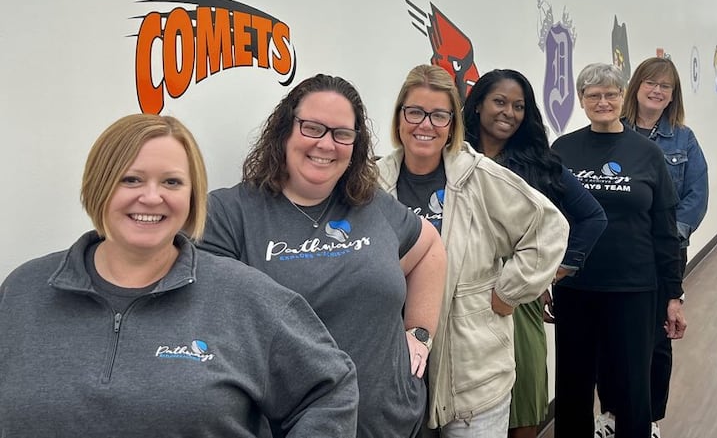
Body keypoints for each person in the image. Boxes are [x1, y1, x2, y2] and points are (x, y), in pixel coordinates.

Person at [0, 114, 359, 438]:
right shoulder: (22, 292)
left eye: (172, 182)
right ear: (99, 185)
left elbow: (331, 389)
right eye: (131, 179)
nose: (151, 197)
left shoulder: (245, 297)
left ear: (192, 197)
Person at [200, 74, 447, 438]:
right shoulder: (229, 214)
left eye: (342, 134)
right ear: (285, 130)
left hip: (394, 424)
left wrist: (420, 334)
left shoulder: (370, 204)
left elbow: (429, 249)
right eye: (313, 128)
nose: (326, 144)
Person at [377, 64, 570, 437]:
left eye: (439, 115)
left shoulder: (480, 177)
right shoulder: (373, 182)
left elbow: (549, 228)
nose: (425, 124)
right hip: (397, 375)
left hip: (472, 376)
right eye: (415, 112)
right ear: (399, 117)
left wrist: (509, 290)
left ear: (452, 124)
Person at [462, 69, 608, 438]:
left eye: (518, 106)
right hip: (460, 299)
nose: (509, 112)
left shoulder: (540, 164)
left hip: (514, 300)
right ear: (478, 104)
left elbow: (592, 217)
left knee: (523, 403)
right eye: (499, 102)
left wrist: (549, 273)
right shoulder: (454, 158)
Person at [550, 63, 687, 438]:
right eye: (593, 95)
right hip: (575, 286)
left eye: (611, 94)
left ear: (622, 97)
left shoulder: (647, 153)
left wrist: (673, 295)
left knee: (632, 386)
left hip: (634, 288)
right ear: (581, 99)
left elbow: (665, 231)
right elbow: (547, 221)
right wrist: (545, 278)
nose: (603, 102)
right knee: (573, 385)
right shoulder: (562, 150)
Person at [595, 57, 709, 438]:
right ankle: (611, 413)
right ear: (636, 86)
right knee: (611, 336)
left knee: (657, 339)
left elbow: (696, 195)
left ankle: (650, 418)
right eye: (651, 83)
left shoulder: (683, 139)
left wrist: (666, 234)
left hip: (663, 255)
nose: (657, 91)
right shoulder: (611, 130)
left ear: (673, 96)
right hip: (617, 254)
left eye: (666, 87)